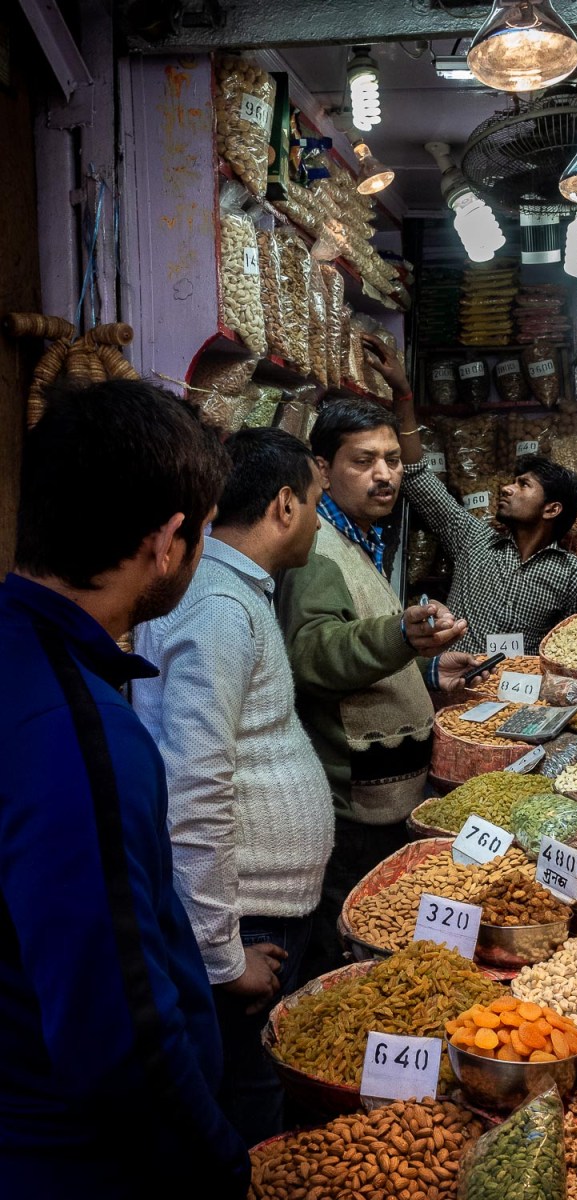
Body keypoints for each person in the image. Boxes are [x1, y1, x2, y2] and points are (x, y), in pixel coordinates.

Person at [0, 380, 250, 1199]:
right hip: (77, 1162)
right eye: (205, 533)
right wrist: (221, 1162)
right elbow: (115, 1034)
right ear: (168, 542)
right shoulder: (76, 732)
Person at [133, 428, 335, 1146]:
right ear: (284, 504)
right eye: (316, 502)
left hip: (263, 909)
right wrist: (222, 955)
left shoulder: (235, 592)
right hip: (246, 920)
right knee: (247, 1099)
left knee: (265, 1085)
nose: (320, 518)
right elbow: (193, 787)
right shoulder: (218, 607)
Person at [277, 399, 487, 978]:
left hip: (386, 800)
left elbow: (358, 647)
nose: (386, 475)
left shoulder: (361, 540)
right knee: (354, 953)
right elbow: (315, 655)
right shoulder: (316, 550)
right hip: (352, 810)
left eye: (393, 460)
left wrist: (425, 672)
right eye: (363, 461)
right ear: (321, 470)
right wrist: (401, 635)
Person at [363, 335, 577, 656]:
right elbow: (415, 470)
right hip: (454, 684)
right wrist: (403, 393)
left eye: (524, 485)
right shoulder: (472, 538)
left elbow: (565, 651)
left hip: (521, 694)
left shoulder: (575, 575)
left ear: (552, 509)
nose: (506, 488)